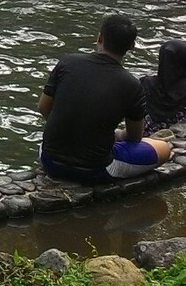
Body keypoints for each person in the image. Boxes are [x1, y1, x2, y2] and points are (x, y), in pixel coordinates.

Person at [38, 14, 172, 183]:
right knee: (163, 148)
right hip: (95, 169)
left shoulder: (67, 63)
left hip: (49, 160)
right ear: (131, 46)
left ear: (99, 37)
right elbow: (134, 137)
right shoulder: (131, 84)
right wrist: (118, 134)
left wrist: (72, 130)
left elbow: (43, 107)